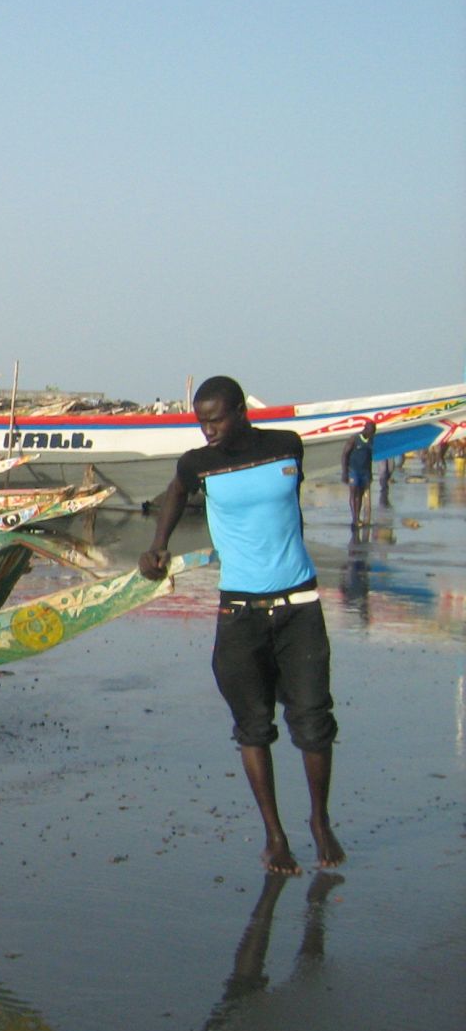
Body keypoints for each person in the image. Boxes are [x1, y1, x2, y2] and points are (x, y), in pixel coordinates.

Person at [140, 375, 343, 875]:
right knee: (252, 726)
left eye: (215, 418)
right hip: (239, 613)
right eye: (200, 420)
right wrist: (158, 545)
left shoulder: (286, 447)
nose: (207, 429)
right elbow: (174, 491)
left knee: (314, 723)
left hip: (299, 607)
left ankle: (319, 820)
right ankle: (275, 835)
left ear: (241, 410)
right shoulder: (197, 463)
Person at [340, 420, 375, 530]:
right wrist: (345, 472)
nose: (372, 434)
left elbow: (369, 458)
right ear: (365, 429)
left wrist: (370, 474)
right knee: (353, 492)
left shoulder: (371, 440)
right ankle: (354, 518)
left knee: (359, 495)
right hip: (353, 470)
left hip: (364, 472)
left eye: (374, 432)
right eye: (371, 431)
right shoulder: (354, 439)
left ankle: (358, 517)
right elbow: (345, 455)